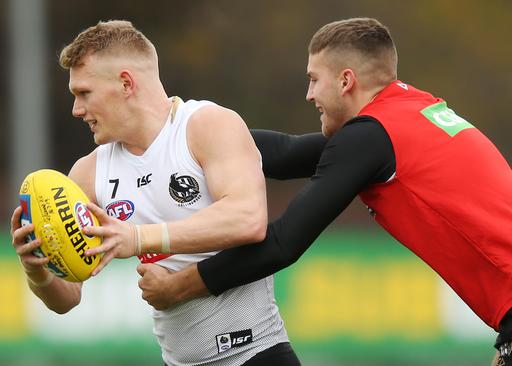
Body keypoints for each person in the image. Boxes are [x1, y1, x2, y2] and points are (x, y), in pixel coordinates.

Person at [75, 18, 512, 366]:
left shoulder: (370, 138)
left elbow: (283, 242)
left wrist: (186, 285)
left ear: (346, 82)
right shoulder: (404, 113)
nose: (308, 93)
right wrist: (184, 133)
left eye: (314, 80)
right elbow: (289, 152)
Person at [9, 20, 301, 366]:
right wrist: (39, 270)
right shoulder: (89, 172)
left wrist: (138, 238)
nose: (76, 110)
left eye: (84, 93)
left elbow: (247, 219)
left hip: (255, 354)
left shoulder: (206, 125)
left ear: (126, 83)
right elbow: (68, 298)